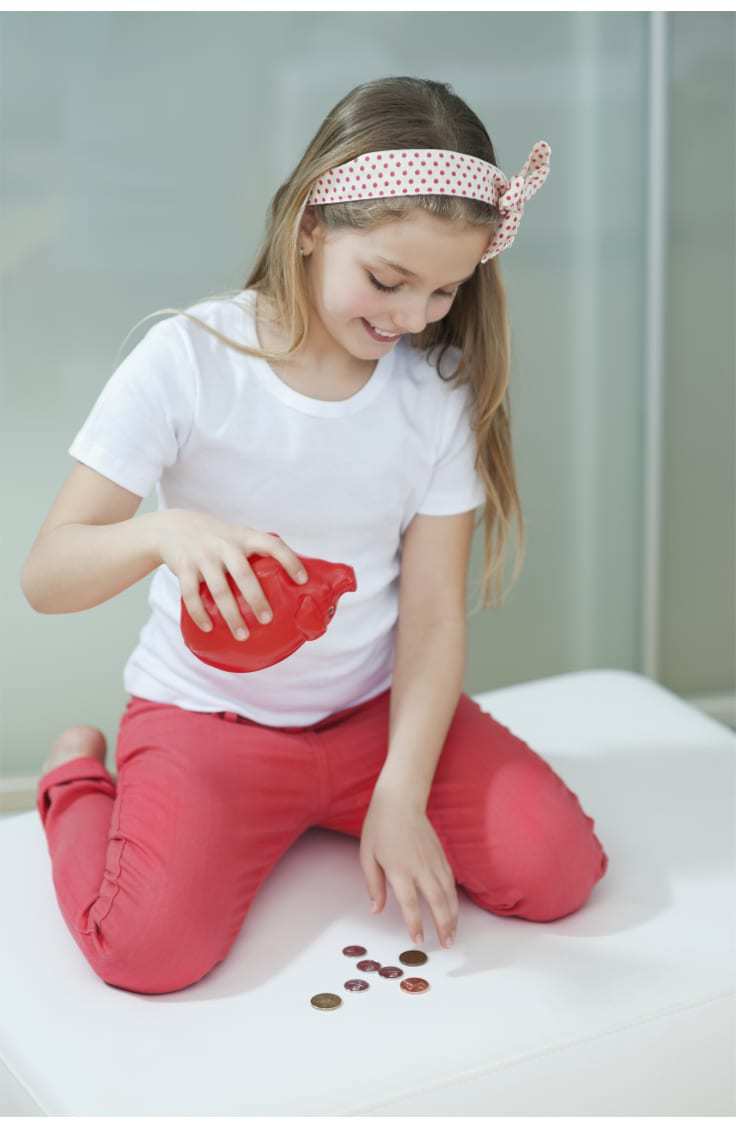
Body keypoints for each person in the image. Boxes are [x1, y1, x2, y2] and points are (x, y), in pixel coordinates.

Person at [23, 76, 608, 996]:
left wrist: (400, 794)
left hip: (374, 719)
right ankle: (74, 777)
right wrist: (163, 533)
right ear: (309, 224)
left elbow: (433, 620)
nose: (412, 318)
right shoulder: (189, 361)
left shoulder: (434, 396)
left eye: (445, 292)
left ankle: (346, 803)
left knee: (558, 872)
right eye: (388, 280)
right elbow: (46, 575)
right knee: (143, 954)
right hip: (209, 723)